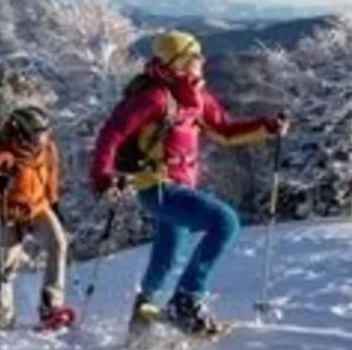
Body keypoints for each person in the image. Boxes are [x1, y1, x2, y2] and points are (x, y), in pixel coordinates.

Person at [89, 29, 287, 337]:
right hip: (156, 188)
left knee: (166, 255)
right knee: (225, 222)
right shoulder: (154, 97)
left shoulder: (196, 97)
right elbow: (112, 133)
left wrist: (266, 126)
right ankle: (186, 299)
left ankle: (141, 321)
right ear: (178, 62)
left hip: (181, 187)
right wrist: (102, 175)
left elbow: (225, 131)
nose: (202, 60)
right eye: (195, 56)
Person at [0, 106, 74, 331]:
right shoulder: (5, 153)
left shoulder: (47, 149)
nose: (44, 138)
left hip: (39, 208)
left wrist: (54, 203)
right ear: (23, 133)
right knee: (6, 268)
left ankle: (51, 305)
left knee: (58, 244)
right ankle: (1, 321)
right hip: (11, 215)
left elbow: (51, 177)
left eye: (45, 133)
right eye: (38, 134)